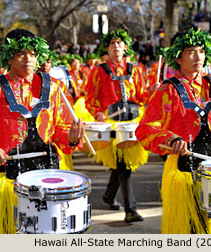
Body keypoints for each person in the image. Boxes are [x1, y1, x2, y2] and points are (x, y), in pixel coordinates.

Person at [0, 28, 85, 234]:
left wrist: (70, 137)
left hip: (49, 179)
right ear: (9, 57)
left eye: (32, 53)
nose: (28, 59)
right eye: (21, 53)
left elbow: (60, 129)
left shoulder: (55, 88)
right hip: (9, 182)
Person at [135, 28, 211, 234]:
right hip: (183, 172)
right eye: (191, 52)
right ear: (178, 58)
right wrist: (171, 140)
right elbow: (144, 130)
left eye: (202, 51)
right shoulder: (167, 90)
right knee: (188, 233)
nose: (199, 57)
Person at [85, 29, 149, 222]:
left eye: (119, 43)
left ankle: (108, 196)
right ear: (107, 48)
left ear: (125, 47)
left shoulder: (135, 70)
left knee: (121, 164)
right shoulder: (98, 71)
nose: (116, 46)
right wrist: (98, 112)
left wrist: (151, 92)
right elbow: (90, 98)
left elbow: (141, 96)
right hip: (111, 123)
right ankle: (131, 210)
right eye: (112, 43)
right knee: (123, 166)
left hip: (131, 121)